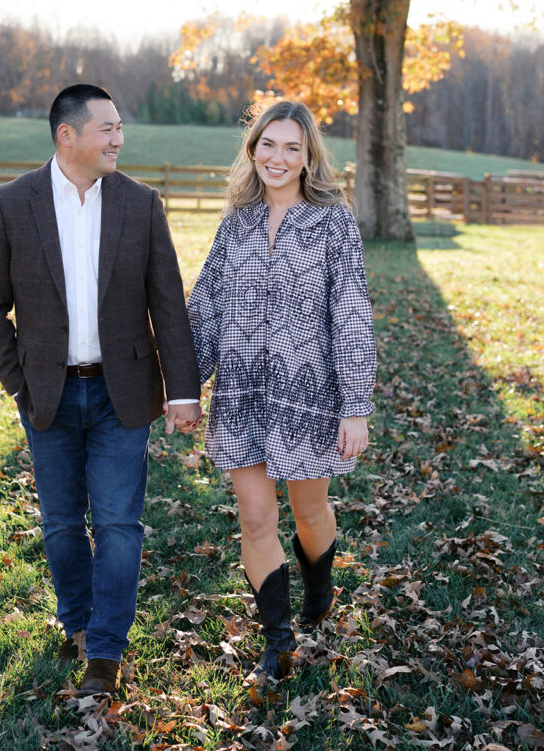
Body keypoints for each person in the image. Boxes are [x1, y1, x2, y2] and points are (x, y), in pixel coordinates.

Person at [0, 83, 201, 696]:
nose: (118, 139)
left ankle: (105, 651)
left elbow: (168, 305)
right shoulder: (10, 205)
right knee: (61, 524)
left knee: (121, 525)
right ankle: (77, 622)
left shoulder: (140, 204)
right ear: (66, 135)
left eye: (120, 128)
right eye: (108, 129)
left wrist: (183, 391)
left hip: (121, 393)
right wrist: (18, 381)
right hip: (45, 394)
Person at [186, 99, 376, 680]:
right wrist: (186, 384)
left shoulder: (333, 221)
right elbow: (208, 304)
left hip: (308, 394)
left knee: (309, 509)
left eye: (292, 147)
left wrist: (356, 405)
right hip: (241, 393)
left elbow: (350, 314)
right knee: (254, 515)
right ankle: (279, 640)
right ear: (253, 148)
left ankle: (319, 589)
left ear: (307, 156)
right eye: (269, 144)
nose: (278, 157)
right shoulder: (235, 220)